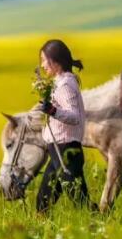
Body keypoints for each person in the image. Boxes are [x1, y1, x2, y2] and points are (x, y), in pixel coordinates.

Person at [35, 39, 92, 213]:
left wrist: (52, 111)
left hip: (67, 150)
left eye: (45, 60)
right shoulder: (59, 83)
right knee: (43, 200)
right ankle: (44, 235)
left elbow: (75, 116)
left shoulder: (66, 84)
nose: (43, 65)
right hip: (57, 149)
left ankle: (99, 227)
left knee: (79, 201)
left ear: (56, 61)